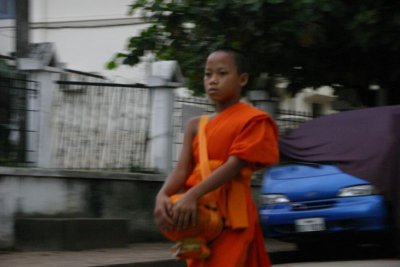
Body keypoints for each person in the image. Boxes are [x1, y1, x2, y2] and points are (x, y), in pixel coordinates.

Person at [154, 47, 279, 266]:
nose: (213, 80)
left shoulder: (254, 119)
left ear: (242, 79)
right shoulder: (196, 125)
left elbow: (234, 165)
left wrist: (191, 195)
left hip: (232, 213)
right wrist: (162, 195)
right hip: (199, 215)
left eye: (222, 73)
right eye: (208, 74)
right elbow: (182, 169)